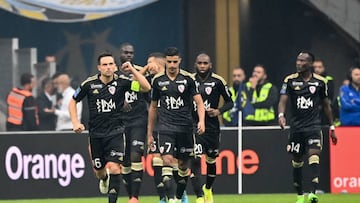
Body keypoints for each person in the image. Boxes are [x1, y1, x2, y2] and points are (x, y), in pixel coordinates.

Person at [69, 52, 151, 203]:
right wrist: (75, 122)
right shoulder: (89, 84)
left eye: (110, 64)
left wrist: (133, 70)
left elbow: (146, 87)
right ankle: (104, 179)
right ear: (99, 67)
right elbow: (73, 101)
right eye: (104, 65)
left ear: (115, 66)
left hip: (116, 132)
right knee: (99, 172)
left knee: (114, 167)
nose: (108, 67)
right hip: (96, 135)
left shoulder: (123, 83)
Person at [278, 51, 338, 203]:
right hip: (296, 128)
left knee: (314, 155)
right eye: (298, 60)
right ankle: (300, 195)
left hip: (313, 126)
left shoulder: (320, 82)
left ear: (310, 64)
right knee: (297, 161)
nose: (298, 63)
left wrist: (332, 127)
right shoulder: (290, 80)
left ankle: (312, 192)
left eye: (302, 61)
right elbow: (283, 100)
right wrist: (281, 115)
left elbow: (326, 105)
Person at [147, 47, 205, 203]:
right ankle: (171, 198)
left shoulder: (188, 79)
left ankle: (179, 196)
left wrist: (201, 121)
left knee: (183, 167)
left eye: (174, 61)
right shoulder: (158, 80)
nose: (172, 65)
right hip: (165, 127)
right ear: (165, 61)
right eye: (169, 61)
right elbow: (153, 107)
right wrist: (149, 133)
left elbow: (199, 102)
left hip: (185, 128)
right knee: (166, 160)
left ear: (179, 61)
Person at [190, 53, 233, 203]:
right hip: (194, 126)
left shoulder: (218, 81)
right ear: (195, 64)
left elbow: (230, 102)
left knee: (211, 161)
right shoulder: (190, 80)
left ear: (210, 65)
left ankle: (207, 188)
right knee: (195, 159)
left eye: (205, 63)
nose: (202, 66)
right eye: (200, 63)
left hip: (213, 128)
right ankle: (199, 198)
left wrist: (218, 111)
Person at [117, 42, 147, 202]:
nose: (128, 55)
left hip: (138, 120)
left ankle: (135, 197)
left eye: (131, 53)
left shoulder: (140, 70)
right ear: (119, 53)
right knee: (125, 161)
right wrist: (120, 102)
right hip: (121, 123)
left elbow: (146, 88)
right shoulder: (112, 73)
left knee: (136, 155)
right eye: (125, 52)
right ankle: (130, 195)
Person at [141, 52, 167, 203]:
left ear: (160, 63)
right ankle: (162, 198)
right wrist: (144, 70)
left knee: (174, 163)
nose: (148, 66)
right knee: (157, 162)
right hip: (156, 127)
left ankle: (179, 194)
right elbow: (135, 86)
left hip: (173, 126)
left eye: (150, 63)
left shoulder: (173, 79)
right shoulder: (147, 82)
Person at [313, 60, 335, 125]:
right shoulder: (308, 79)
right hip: (311, 110)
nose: (317, 69)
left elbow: (330, 95)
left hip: (325, 109)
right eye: (315, 67)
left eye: (320, 67)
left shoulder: (329, 79)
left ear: (324, 68)